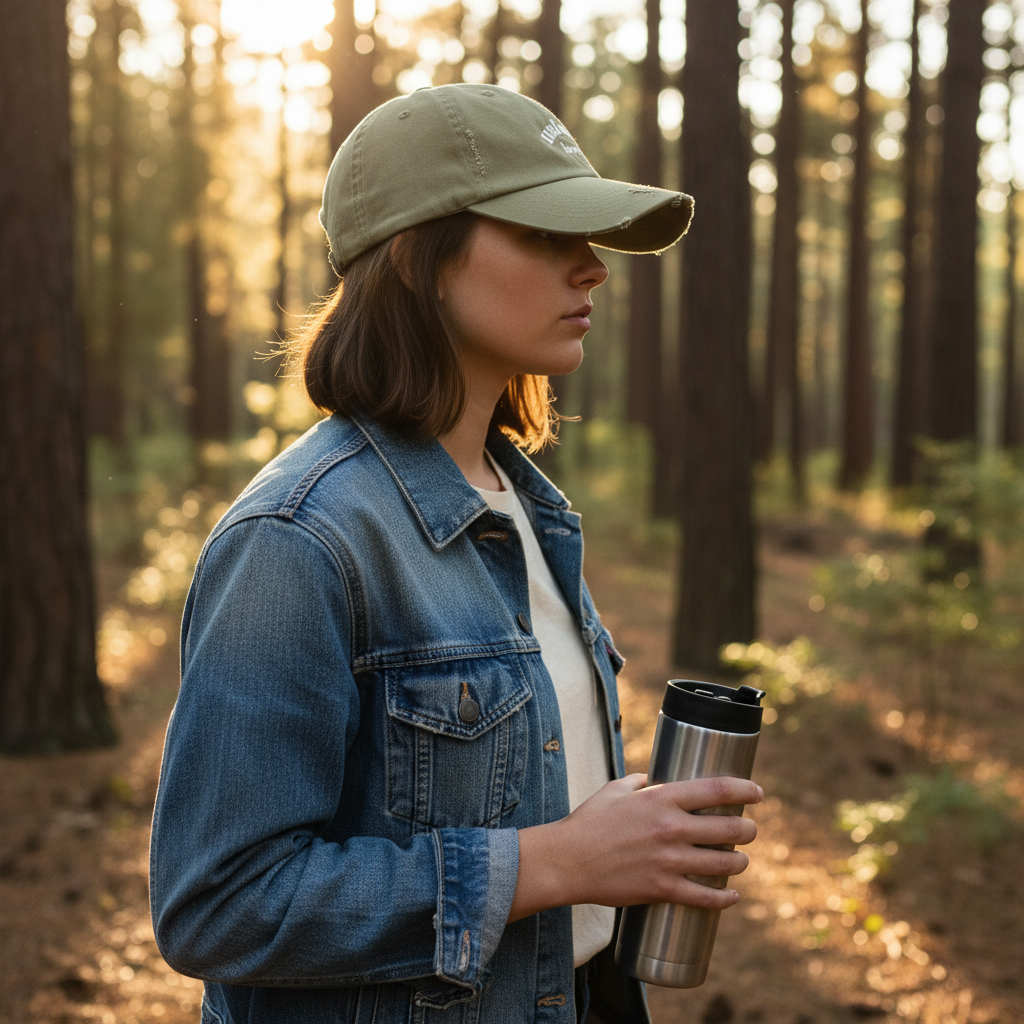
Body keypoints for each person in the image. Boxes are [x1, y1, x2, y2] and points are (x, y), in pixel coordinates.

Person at [149, 83, 762, 1024]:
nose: (590, 269)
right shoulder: (300, 540)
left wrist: (630, 843)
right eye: (544, 234)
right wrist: (556, 862)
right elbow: (219, 904)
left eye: (588, 240)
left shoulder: (529, 510)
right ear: (417, 260)